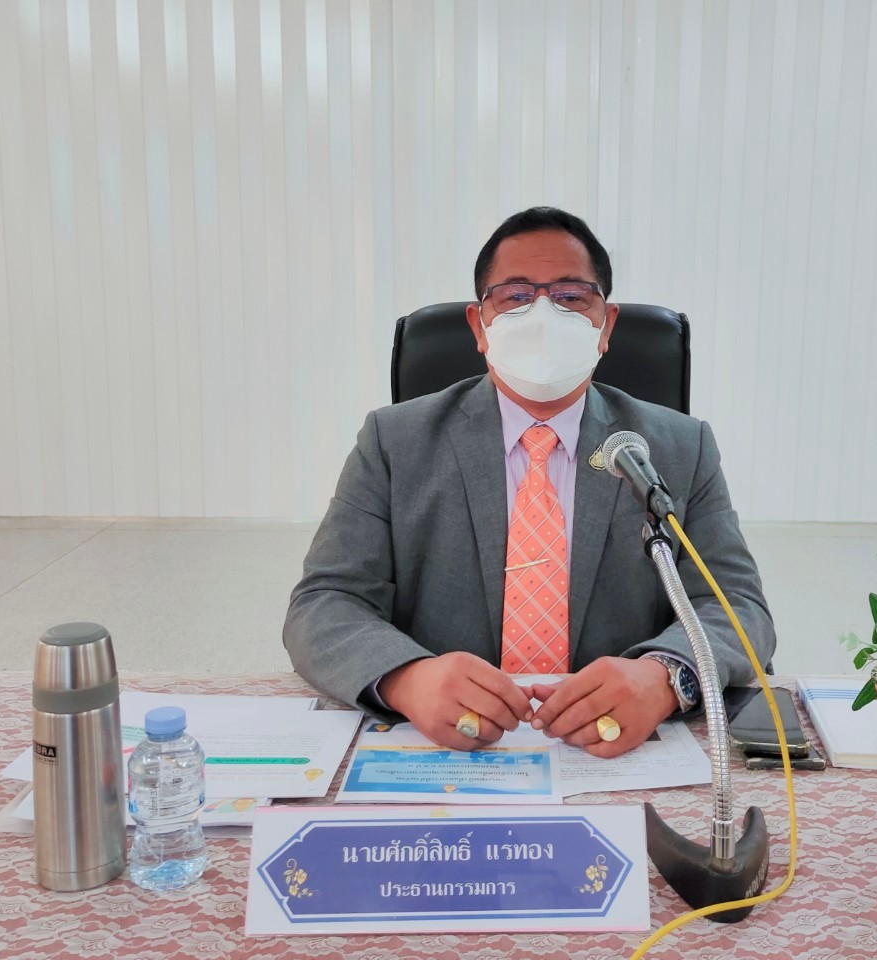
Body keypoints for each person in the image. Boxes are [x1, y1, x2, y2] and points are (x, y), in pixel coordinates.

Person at [283, 206, 774, 758]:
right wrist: (406, 678)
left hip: (615, 751)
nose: (543, 315)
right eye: (515, 296)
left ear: (606, 326)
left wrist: (665, 677)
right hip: (447, 751)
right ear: (479, 326)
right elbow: (324, 604)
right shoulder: (394, 442)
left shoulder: (679, 446)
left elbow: (738, 608)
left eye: (571, 297)